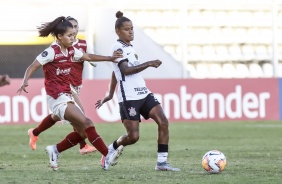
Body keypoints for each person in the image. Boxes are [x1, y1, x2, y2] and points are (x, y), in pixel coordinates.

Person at [17, 16, 123, 171]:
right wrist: (25, 80)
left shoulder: (73, 50)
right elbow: (32, 66)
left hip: (66, 94)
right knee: (87, 123)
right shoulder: (51, 52)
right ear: (60, 37)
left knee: (82, 133)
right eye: (70, 35)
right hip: (56, 98)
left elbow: (88, 56)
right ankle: (107, 155)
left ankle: (55, 150)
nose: (73, 38)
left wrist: (110, 58)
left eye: (74, 35)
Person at [95, 11, 180, 171]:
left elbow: (115, 72)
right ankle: (111, 148)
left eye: (132, 28)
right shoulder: (117, 47)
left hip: (143, 93)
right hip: (129, 98)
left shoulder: (130, 49)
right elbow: (125, 70)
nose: (131, 31)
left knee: (163, 121)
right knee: (133, 137)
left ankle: (161, 162)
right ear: (118, 32)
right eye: (127, 29)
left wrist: (110, 94)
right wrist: (148, 63)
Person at [27, 16, 98, 155]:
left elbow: (91, 58)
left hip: (76, 84)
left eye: (76, 27)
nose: (74, 31)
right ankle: (83, 145)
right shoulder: (58, 46)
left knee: (57, 116)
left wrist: (93, 58)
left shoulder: (82, 44)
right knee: (80, 115)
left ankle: (34, 132)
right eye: (71, 28)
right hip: (64, 85)